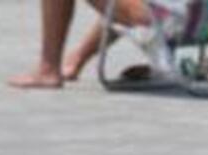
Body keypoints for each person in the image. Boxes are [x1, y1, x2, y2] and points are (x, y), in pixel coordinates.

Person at [8, 0, 152, 89]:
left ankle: (48, 69)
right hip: (165, 23)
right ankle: (73, 60)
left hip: (157, 19)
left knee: (134, 9)